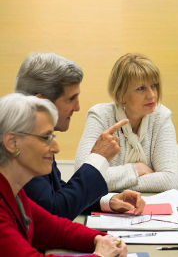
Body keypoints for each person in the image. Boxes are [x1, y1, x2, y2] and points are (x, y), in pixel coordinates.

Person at [16, 52, 145, 220]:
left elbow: (57, 193)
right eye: (71, 99)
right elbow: (53, 211)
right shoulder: (21, 146)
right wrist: (98, 158)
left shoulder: (32, 134)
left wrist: (107, 201)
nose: (77, 108)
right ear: (40, 103)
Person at [0, 93, 128, 257]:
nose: (56, 148)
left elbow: (53, 228)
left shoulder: (14, 192)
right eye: (46, 137)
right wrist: (100, 255)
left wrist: (100, 239)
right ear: (12, 142)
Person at [75, 53, 178, 192]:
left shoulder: (161, 116)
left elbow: (170, 180)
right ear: (121, 95)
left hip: (150, 208)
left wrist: (109, 182)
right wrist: (136, 169)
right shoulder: (100, 116)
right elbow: (83, 177)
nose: (152, 95)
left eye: (154, 86)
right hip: (108, 207)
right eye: (141, 88)